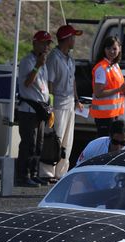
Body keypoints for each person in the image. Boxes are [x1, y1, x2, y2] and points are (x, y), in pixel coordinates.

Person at [40, 24, 84, 183]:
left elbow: (72, 82)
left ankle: (61, 171)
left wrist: (77, 100)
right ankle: (47, 172)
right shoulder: (54, 58)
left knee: (67, 140)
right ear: (66, 39)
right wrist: (49, 105)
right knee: (54, 138)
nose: (74, 40)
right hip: (58, 103)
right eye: (73, 37)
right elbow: (49, 83)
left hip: (69, 103)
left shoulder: (70, 59)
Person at [16, 30, 53, 188]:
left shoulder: (43, 62)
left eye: (48, 43)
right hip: (28, 109)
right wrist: (37, 66)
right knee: (28, 143)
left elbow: (44, 87)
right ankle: (23, 175)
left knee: (39, 144)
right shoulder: (28, 61)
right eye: (44, 43)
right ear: (35, 43)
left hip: (40, 108)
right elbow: (27, 83)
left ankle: (34, 173)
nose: (46, 46)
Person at [90, 36, 125, 137]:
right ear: (104, 49)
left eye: (114, 48)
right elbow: (98, 93)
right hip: (104, 116)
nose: (111, 51)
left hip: (113, 114)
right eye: (108, 48)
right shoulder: (102, 68)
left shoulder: (115, 65)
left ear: (119, 49)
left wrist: (124, 87)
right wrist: (119, 89)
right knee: (104, 145)